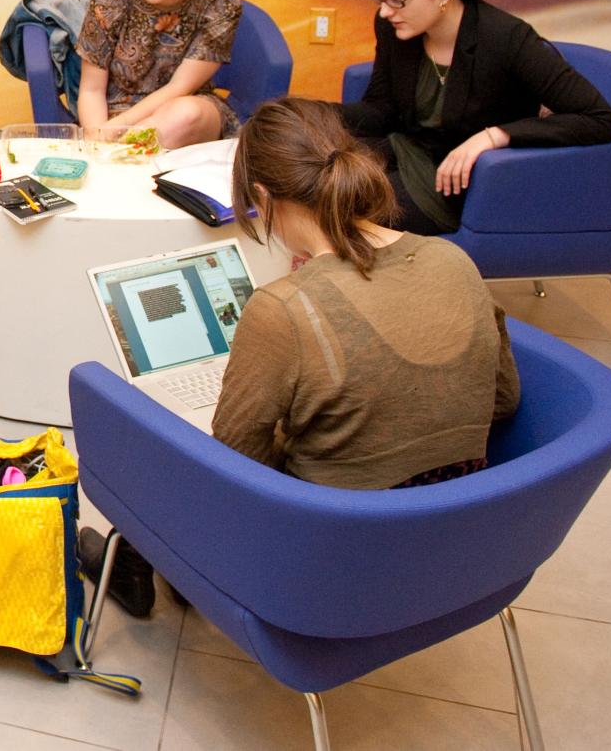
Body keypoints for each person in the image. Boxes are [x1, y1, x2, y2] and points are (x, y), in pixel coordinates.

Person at [78, 95, 522, 616]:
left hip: (322, 567)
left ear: (262, 196)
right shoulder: (454, 261)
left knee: (159, 434)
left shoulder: (283, 308)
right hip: (452, 551)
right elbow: (503, 401)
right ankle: (178, 568)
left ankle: (141, 565)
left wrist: (295, 420)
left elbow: (237, 465)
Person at [342, 0, 611, 235]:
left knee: (339, 208)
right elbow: (381, 109)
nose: (384, 12)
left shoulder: (506, 38)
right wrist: (310, 114)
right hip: (410, 149)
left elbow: (599, 120)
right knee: (313, 176)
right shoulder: (395, 27)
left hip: (467, 183)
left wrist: (494, 136)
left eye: (396, 0)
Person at [76, 0, 242, 149]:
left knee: (185, 114)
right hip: (112, 115)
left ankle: (126, 158)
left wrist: (117, 130)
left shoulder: (221, 6)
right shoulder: (109, 1)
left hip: (185, 111)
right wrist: (97, 140)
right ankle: (121, 163)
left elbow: (180, 87)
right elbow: (91, 90)